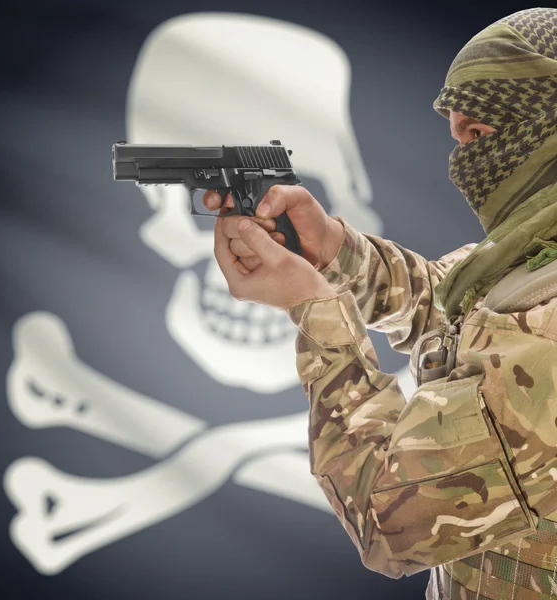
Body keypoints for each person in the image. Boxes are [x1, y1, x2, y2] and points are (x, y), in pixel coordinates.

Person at [203, 7, 557, 599]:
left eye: (480, 136)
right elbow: (455, 310)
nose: (463, 163)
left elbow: (389, 522)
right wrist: (335, 250)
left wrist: (315, 309)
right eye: (457, 137)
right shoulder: (532, 256)